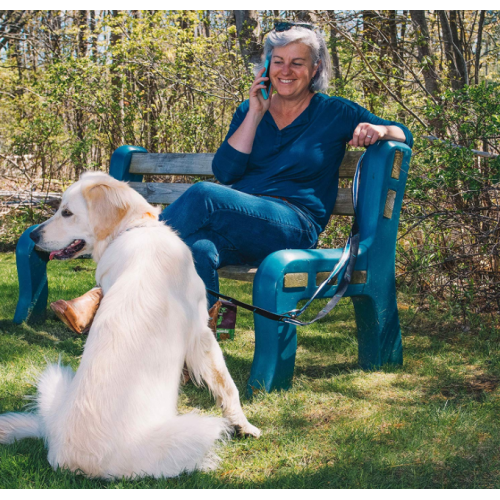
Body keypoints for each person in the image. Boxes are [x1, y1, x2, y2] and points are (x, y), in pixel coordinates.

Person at [51, 21, 413, 335]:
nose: (286, 71)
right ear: (267, 67)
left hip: (292, 223)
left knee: (205, 195)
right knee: (199, 249)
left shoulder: (335, 111)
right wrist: (255, 114)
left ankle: (104, 292)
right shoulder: (248, 110)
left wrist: (378, 130)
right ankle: (206, 344)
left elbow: (403, 134)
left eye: (297, 63)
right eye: (278, 62)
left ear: (315, 67)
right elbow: (227, 172)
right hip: (237, 224)